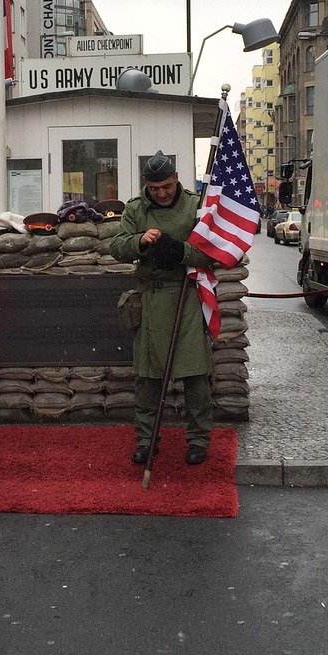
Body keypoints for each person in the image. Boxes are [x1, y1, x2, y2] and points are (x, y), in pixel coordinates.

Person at [108, 151, 218, 467]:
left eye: (167, 187)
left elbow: (213, 251)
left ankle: (198, 440)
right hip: (151, 301)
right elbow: (117, 247)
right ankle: (147, 440)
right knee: (147, 379)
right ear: (147, 185)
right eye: (155, 188)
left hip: (187, 300)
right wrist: (140, 241)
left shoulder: (195, 207)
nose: (162, 193)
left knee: (196, 377)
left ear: (176, 180)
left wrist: (180, 251)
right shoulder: (135, 209)